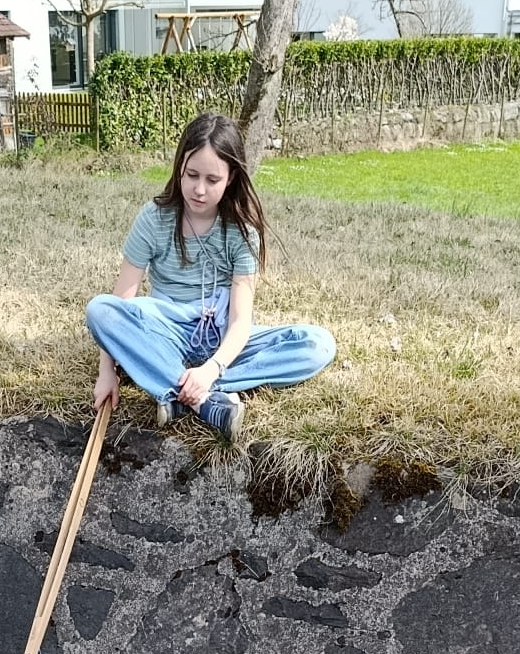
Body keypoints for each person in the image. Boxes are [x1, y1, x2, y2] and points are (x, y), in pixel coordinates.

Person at [86, 111, 336, 447]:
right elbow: (121, 302)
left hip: (221, 338)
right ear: (179, 168)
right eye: (191, 175)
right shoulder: (154, 218)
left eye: (212, 180)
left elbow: (240, 321)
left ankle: (182, 388)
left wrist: (211, 370)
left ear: (231, 178)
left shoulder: (242, 232)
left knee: (317, 345)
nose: (199, 189)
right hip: (168, 329)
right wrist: (107, 371)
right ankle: (205, 403)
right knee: (100, 309)